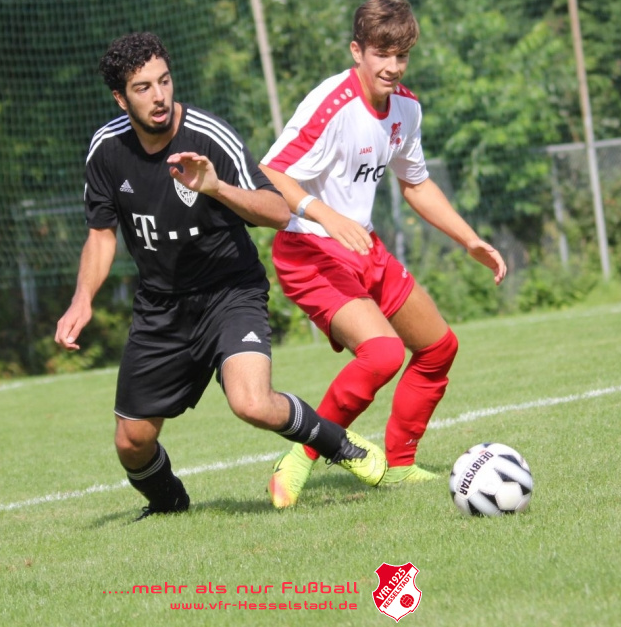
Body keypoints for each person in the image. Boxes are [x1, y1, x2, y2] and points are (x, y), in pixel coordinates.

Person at [54, 32, 387, 518]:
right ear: (120, 98)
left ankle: (339, 444)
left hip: (230, 292)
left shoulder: (209, 136)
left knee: (252, 403)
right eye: (143, 87)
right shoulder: (106, 150)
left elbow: (277, 211)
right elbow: (101, 236)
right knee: (132, 441)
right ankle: (169, 504)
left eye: (164, 81)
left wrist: (215, 187)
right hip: (162, 306)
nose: (159, 96)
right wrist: (83, 298)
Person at [259, 0, 506, 507]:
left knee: (438, 348)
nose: (393, 66)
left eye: (402, 55)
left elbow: (415, 182)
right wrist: (326, 216)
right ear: (357, 51)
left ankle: (399, 465)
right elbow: (272, 170)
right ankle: (301, 456)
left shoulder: (406, 108)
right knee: (384, 353)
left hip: (363, 246)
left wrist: (469, 239)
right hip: (309, 251)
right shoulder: (332, 103)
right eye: (382, 54)